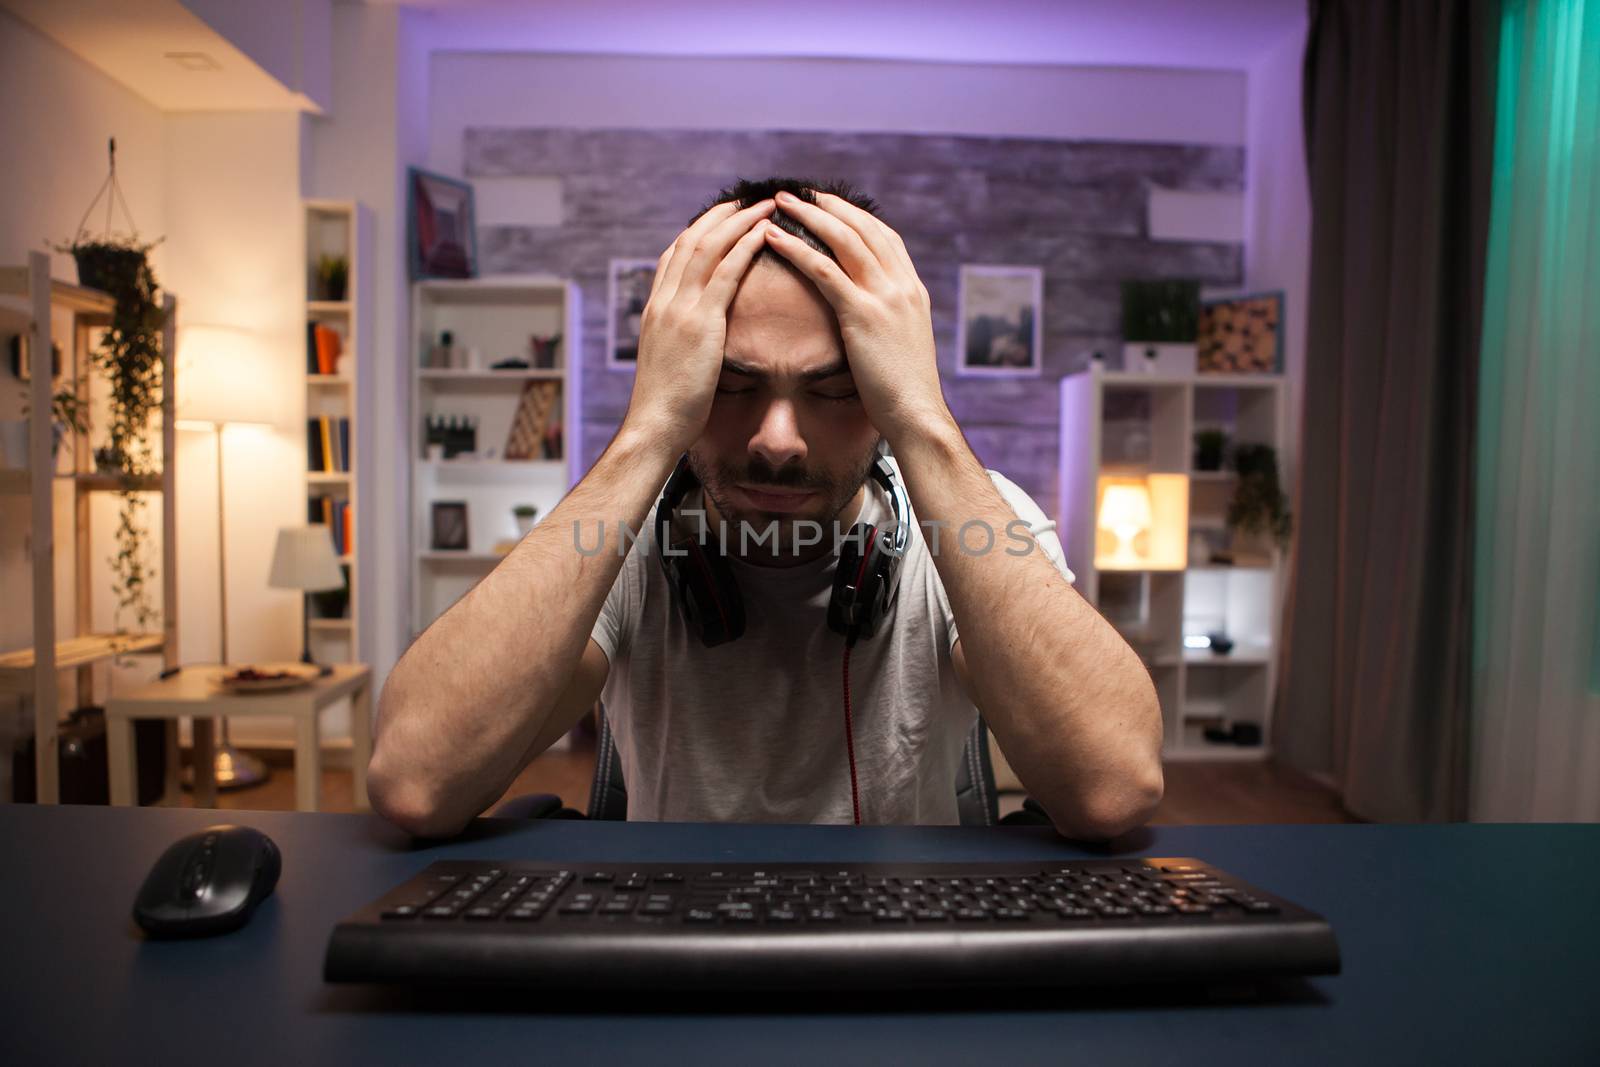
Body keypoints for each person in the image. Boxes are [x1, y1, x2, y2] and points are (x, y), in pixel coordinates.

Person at [369, 176, 1164, 838]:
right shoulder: (620, 533)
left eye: (836, 391)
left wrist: (922, 418)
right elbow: (414, 781)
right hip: (668, 964)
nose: (778, 439)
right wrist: (648, 431)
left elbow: (1114, 787)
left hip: (909, 960)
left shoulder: (970, 520)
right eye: (732, 385)